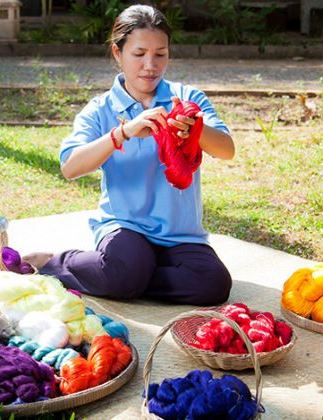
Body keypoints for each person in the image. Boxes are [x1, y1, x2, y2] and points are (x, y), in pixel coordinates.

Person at [24, 4, 235, 305]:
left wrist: (195, 129)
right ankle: (55, 262)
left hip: (180, 234)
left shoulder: (187, 98)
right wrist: (122, 132)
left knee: (213, 284)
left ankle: (128, 275)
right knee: (127, 270)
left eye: (160, 54)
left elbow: (227, 150)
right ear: (117, 53)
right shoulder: (100, 110)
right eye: (139, 54)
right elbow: (70, 167)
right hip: (125, 227)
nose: (150, 65)